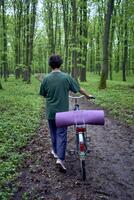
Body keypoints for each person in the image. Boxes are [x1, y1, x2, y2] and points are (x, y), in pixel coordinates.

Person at [39, 54, 93, 173]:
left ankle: (55, 151)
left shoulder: (46, 79)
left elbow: (43, 94)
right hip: (62, 113)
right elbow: (78, 89)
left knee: (53, 133)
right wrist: (87, 96)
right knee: (61, 134)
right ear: (60, 64)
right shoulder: (66, 77)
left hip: (50, 112)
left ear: (50, 65)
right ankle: (60, 159)